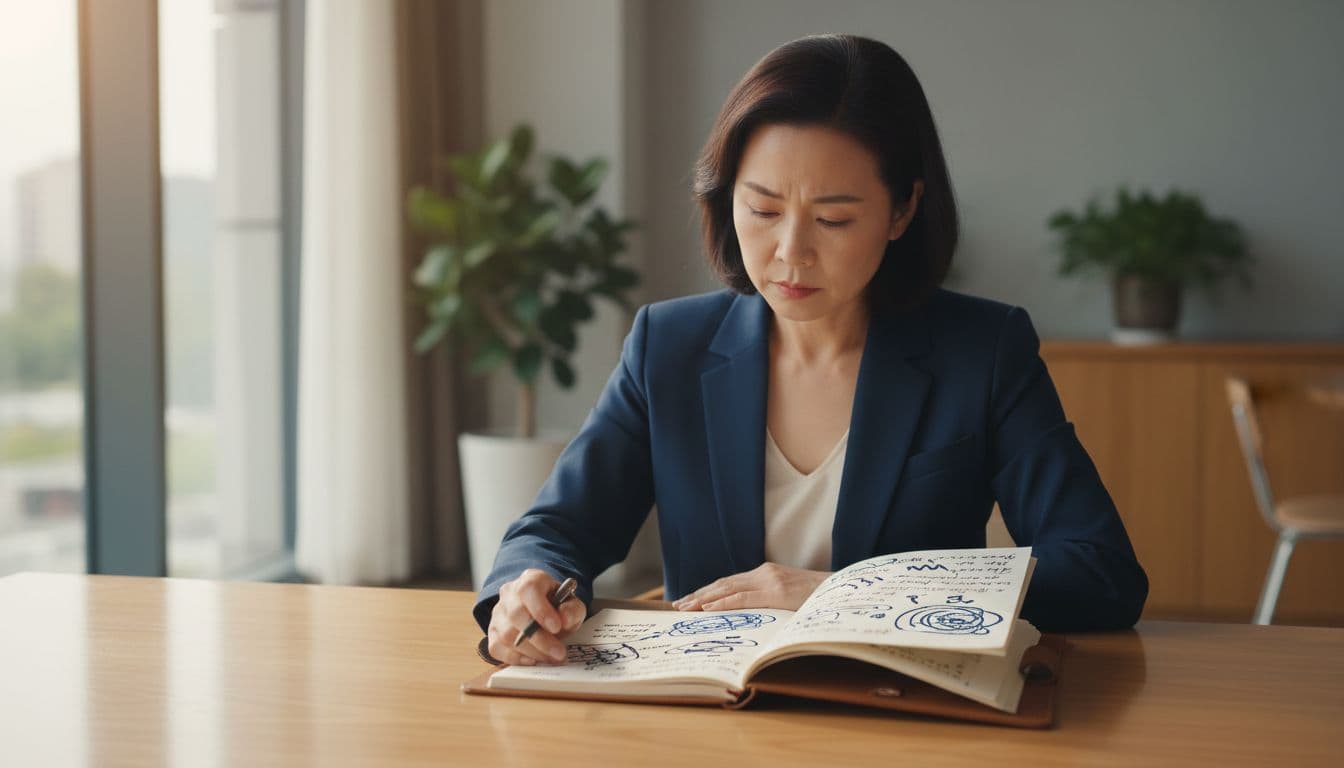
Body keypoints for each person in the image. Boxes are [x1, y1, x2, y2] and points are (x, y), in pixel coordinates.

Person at [473, 34, 1147, 667]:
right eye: (763, 210)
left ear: (903, 211)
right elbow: (558, 529)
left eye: (834, 219)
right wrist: (526, 587)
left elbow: (1099, 571)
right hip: (711, 714)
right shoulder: (669, 347)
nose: (791, 252)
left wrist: (849, 599)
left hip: (901, 714)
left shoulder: (982, 352)